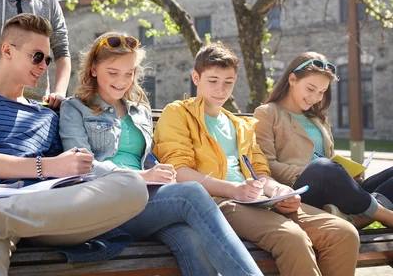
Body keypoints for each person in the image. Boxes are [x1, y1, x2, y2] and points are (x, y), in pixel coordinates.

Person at [0, 14, 148, 275]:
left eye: (47, 59)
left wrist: (73, 165)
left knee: (132, 186)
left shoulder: (46, 114)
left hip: (42, 210)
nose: (44, 66)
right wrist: (48, 165)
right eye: (36, 56)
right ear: (7, 50)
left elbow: (64, 176)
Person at [59, 33, 262, 276]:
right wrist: (139, 177)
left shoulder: (140, 112)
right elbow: (81, 166)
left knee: (190, 238)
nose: (122, 81)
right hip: (106, 204)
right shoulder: (74, 108)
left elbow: (146, 160)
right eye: (113, 73)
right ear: (93, 69)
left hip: (145, 203)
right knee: (192, 193)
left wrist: (161, 173)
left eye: (130, 73)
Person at [153, 43, 360, 276]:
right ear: (196, 77)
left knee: (343, 232)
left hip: (258, 200)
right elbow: (178, 171)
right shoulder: (179, 113)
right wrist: (235, 190)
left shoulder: (240, 125)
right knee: (292, 237)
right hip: (215, 203)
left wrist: (279, 191)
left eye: (228, 82)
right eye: (212, 81)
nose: (221, 89)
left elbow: (260, 171)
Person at [254, 52, 393, 228]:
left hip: (333, 190)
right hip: (298, 193)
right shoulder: (267, 113)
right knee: (322, 167)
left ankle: (356, 218)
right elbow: (266, 165)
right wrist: (317, 172)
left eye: (321, 92)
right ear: (292, 79)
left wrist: (346, 173)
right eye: (311, 89)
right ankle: (384, 215)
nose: (315, 97)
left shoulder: (317, 119)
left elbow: (331, 159)